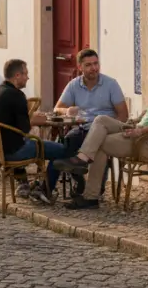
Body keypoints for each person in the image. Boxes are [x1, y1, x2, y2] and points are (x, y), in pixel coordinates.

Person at [55, 55, 148, 210]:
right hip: (139, 134)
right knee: (101, 120)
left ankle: (89, 193)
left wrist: (141, 131)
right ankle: (83, 161)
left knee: (98, 143)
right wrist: (135, 124)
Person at [0, 59, 66, 204]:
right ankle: (45, 190)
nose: (27, 77)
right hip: (13, 152)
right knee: (62, 150)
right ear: (17, 76)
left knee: (26, 140)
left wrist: (29, 119)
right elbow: (24, 129)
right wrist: (34, 120)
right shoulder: (17, 95)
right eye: (25, 74)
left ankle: (23, 184)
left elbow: (10, 123)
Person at [53, 49, 129, 196]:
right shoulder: (74, 85)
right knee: (65, 143)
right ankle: (78, 180)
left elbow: (123, 116)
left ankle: (97, 185)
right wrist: (67, 110)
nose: (94, 68)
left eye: (96, 63)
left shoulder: (111, 84)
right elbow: (57, 108)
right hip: (82, 127)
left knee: (98, 139)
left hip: (104, 129)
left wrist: (110, 130)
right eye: (88, 65)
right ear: (80, 67)